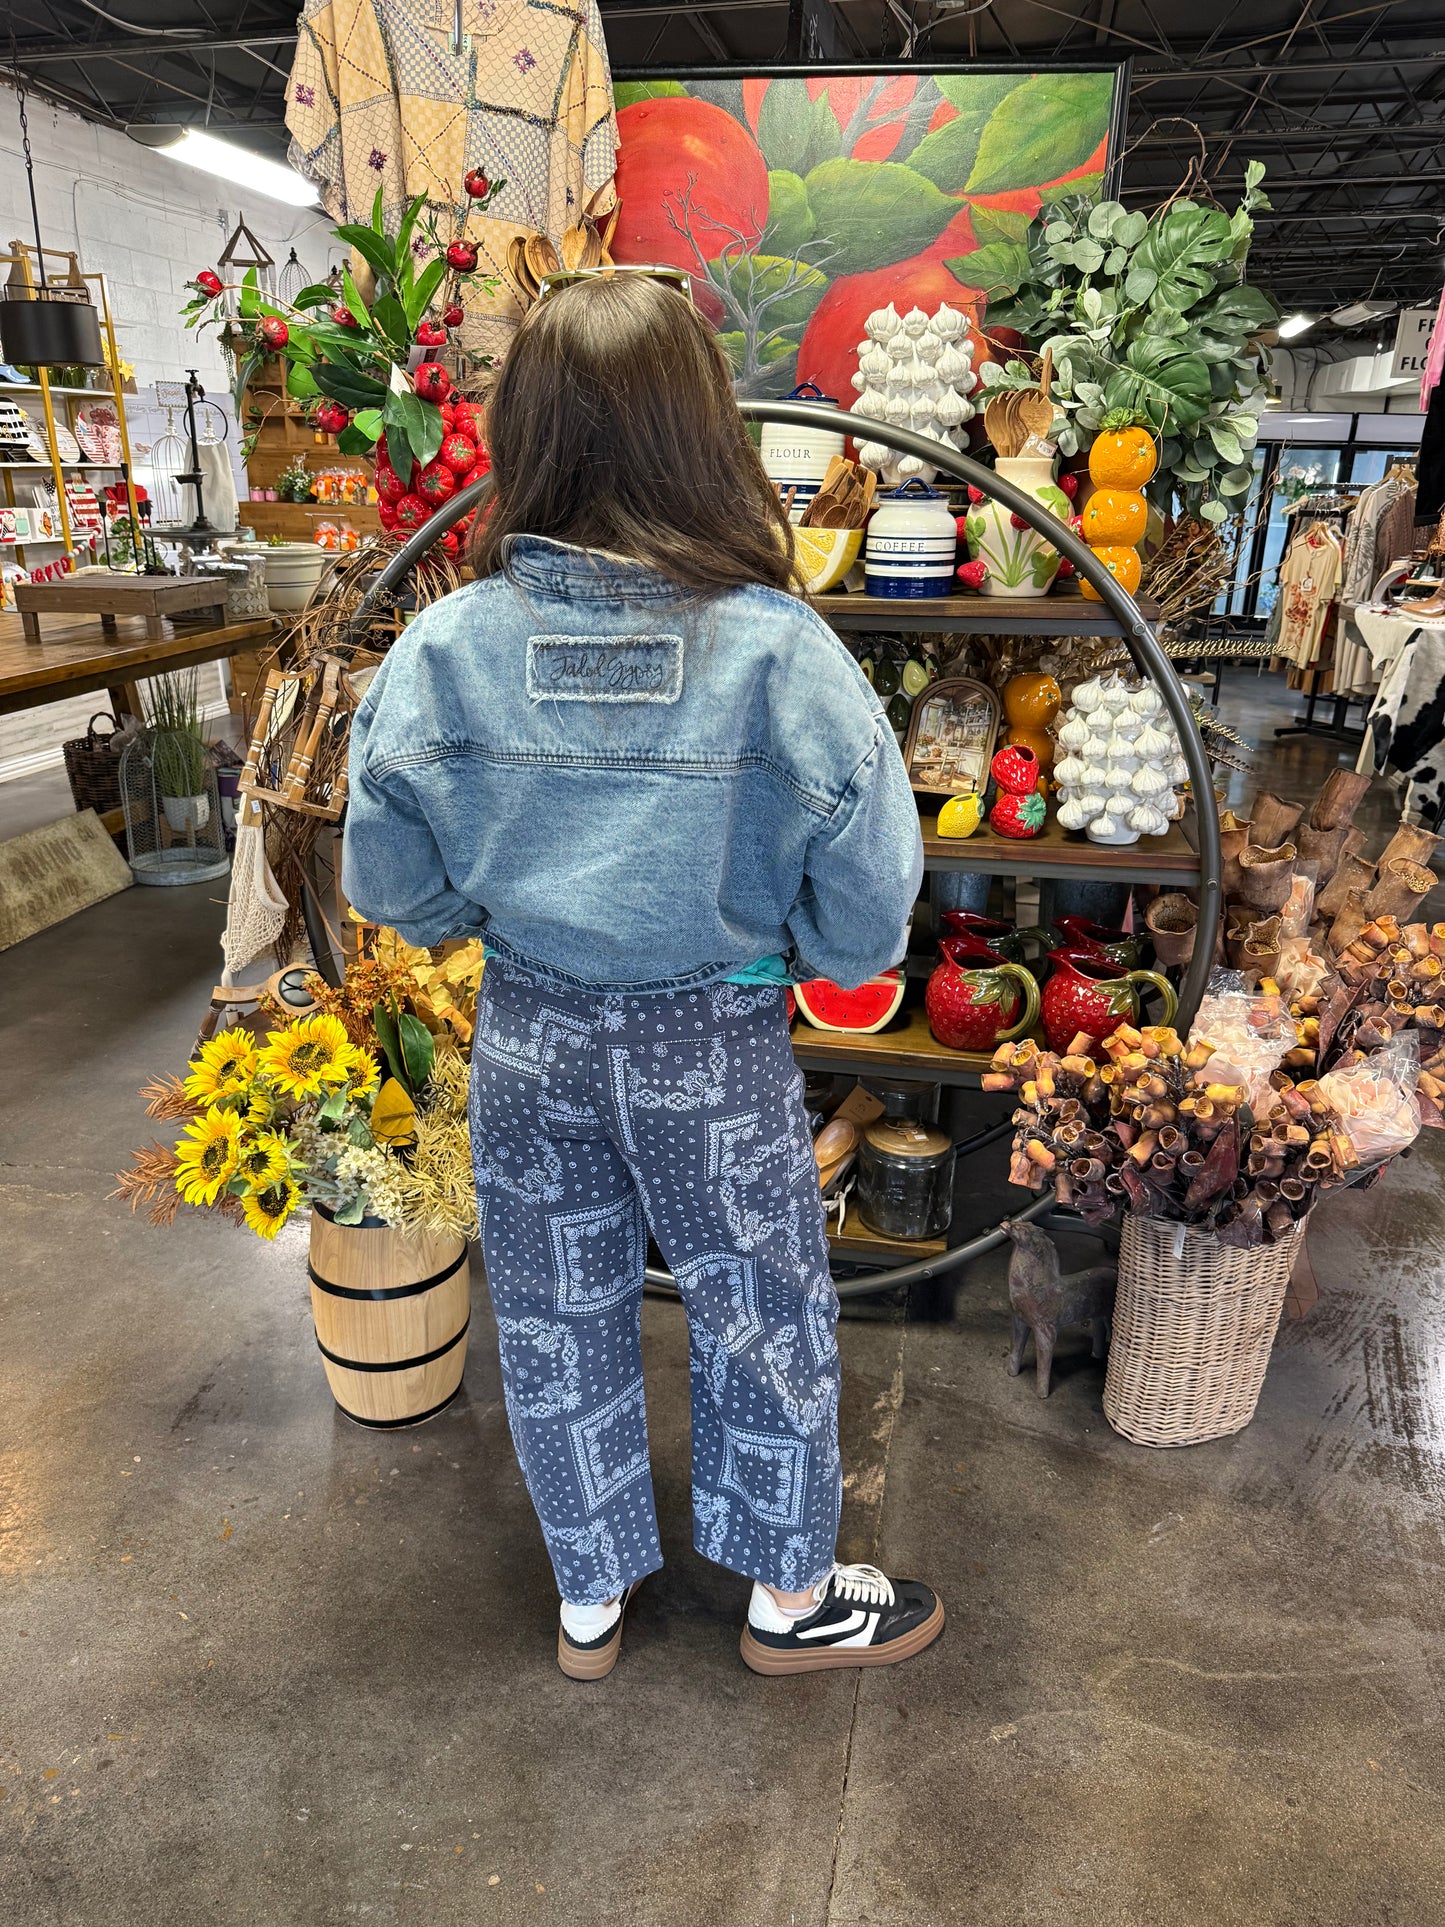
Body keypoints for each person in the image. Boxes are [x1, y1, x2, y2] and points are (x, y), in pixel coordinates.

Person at [344, 271, 942, 1681]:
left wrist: (487, 911)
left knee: (555, 1307)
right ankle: (789, 1599)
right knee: (761, 1302)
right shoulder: (778, 653)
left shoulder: (442, 650)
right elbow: (866, 900)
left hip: (533, 1029)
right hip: (714, 1037)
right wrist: (804, 957)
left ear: (523, 432)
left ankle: (591, 1597)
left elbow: (388, 882)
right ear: (702, 429)